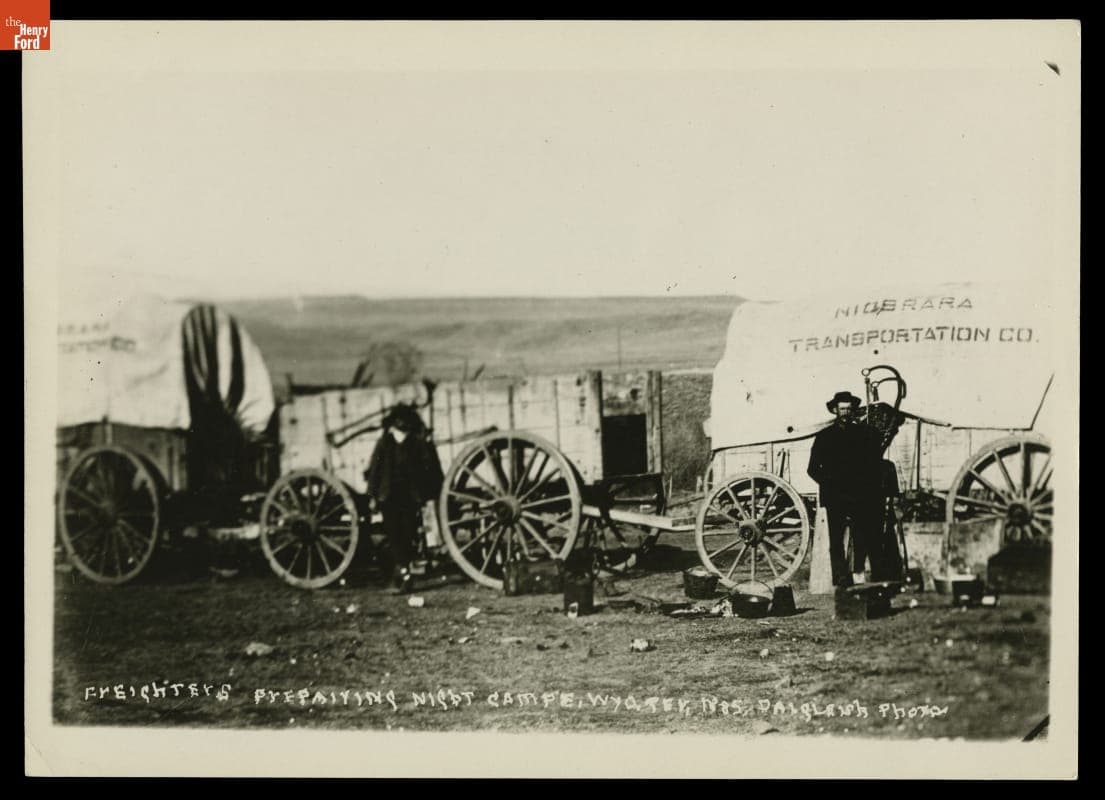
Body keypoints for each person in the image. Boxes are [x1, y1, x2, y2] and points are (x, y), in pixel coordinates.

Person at [806, 390, 885, 588]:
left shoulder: (864, 434)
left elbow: (874, 464)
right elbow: (812, 469)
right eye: (842, 409)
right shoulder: (824, 437)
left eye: (849, 409)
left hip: (860, 495)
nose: (845, 412)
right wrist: (830, 483)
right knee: (836, 540)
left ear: (853, 410)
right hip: (836, 497)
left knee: (862, 535)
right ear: (835, 410)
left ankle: (858, 572)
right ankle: (841, 578)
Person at [364, 405, 444, 593]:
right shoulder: (385, 443)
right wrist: (372, 497)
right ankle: (404, 573)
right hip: (389, 496)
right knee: (394, 535)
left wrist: (428, 493)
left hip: (409, 496)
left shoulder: (417, 443)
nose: (400, 427)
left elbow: (428, 468)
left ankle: (405, 571)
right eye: (398, 424)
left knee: (408, 534)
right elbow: (375, 471)